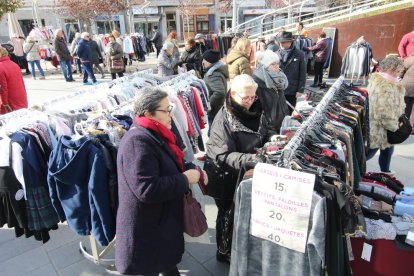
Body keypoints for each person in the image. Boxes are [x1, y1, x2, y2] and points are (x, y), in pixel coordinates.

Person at [115, 87, 206, 275]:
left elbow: (168, 163)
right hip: (147, 227)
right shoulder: (137, 141)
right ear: (148, 113)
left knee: (166, 265)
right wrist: (184, 179)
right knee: (153, 267)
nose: (171, 113)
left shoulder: (154, 132)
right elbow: (146, 189)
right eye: (166, 110)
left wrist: (191, 169)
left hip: (159, 223)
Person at [204, 74, 274, 264]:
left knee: (242, 212)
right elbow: (222, 155)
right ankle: (223, 251)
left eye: (253, 97)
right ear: (233, 94)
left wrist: (274, 140)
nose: (250, 102)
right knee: (227, 212)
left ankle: (239, 246)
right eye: (246, 98)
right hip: (224, 174)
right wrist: (252, 159)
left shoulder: (256, 107)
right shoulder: (223, 120)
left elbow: (266, 129)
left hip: (247, 170)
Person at [366, 56, 405, 175]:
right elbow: (384, 112)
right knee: (371, 151)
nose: (400, 73)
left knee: (388, 148)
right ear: (392, 69)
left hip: (379, 125)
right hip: (381, 127)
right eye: (398, 71)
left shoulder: (379, 79)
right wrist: (394, 126)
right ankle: (354, 167)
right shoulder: (386, 86)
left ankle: (385, 170)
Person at [253, 50, 289, 133]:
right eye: (273, 64)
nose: (277, 66)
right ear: (264, 66)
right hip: (268, 127)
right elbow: (256, 110)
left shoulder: (278, 79)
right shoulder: (256, 83)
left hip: (281, 121)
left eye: (277, 63)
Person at [277, 31, 306, 113]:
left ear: (290, 42)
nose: (281, 44)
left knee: (289, 111)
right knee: (278, 113)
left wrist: (300, 89)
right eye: (280, 42)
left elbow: (302, 72)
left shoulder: (299, 54)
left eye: (284, 42)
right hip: (278, 89)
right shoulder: (276, 53)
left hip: (292, 89)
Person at [202, 49, 229, 134]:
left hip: (215, 110)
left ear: (209, 61)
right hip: (218, 109)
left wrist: (208, 106)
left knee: (214, 133)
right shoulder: (215, 71)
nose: (203, 61)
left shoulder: (212, 74)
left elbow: (220, 93)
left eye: (204, 59)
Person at [0, 46, 28, 114]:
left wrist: (5, 103)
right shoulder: (14, 64)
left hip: (10, 99)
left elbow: (4, 88)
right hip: (21, 96)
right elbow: (22, 82)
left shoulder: (1, 67)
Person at [401, 52, 414, 132]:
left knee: (406, 107)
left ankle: (405, 127)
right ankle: (412, 128)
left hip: (407, 86)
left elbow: (401, 71)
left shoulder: (408, 59)